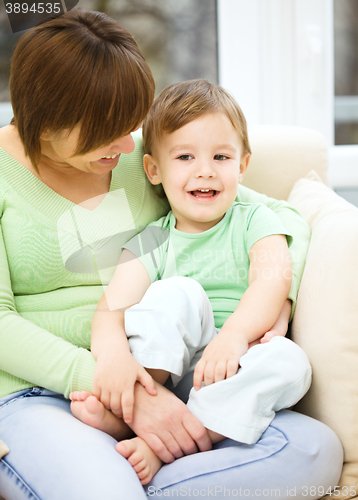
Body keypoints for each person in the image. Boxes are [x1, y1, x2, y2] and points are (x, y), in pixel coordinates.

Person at [0, 8, 342, 500]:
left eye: (130, 125)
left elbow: (273, 212)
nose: (124, 142)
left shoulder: (135, 159)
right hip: (39, 393)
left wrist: (275, 300)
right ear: (43, 119)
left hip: (169, 365)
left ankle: (142, 465)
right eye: (105, 131)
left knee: (313, 450)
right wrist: (122, 390)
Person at [70, 79, 313, 485]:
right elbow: (111, 311)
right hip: (165, 373)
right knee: (178, 292)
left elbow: (272, 280)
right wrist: (115, 362)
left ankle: (166, 439)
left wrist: (234, 336)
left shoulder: (256, 220)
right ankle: (135, 405)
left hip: (235, 366)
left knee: (292, 362)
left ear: (242, 165)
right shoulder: (153, 239)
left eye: (221, 156)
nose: (205, 170)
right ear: (153, 169)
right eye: (185, 156)